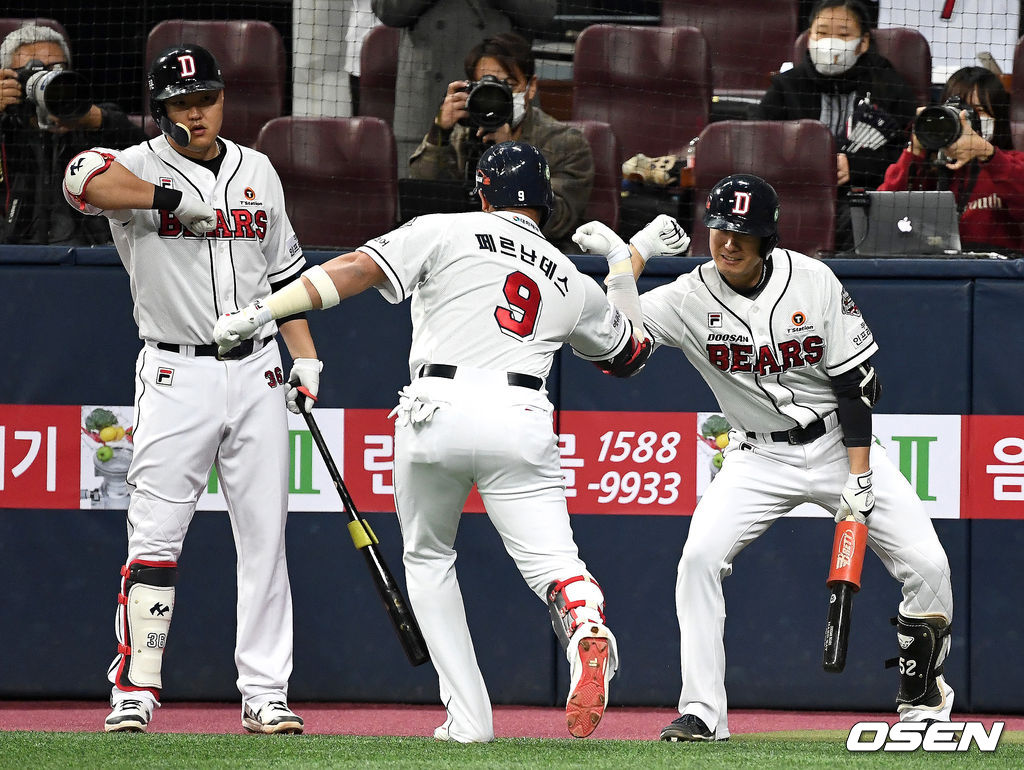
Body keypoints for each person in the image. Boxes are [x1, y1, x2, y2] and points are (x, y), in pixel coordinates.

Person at [212, 141, 650, 742]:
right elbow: (629, 355)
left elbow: (355, 270)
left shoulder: (445, 228)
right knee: (556, 564)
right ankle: (587, 623)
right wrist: (623, 267)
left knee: (428, 559)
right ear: (546, 204)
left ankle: (469, 720)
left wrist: (262, 312)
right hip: (520, 413)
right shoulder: (569, 276)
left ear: (483, 195)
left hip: (435, 408)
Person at [573, 174, 955, 742]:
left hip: (838, 445)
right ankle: (703, 712)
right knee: (699, 560)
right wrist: (627, 262)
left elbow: (855, 385)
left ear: (768, 238)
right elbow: (618, 349)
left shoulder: (813, 279)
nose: (728, 243)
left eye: (743, 233)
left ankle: (923, 703)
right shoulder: (686, 297)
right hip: (756, 456)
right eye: (720, 229)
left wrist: (860, 478)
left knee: (930, 565)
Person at [61, 43, 320, 735]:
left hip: (259, 367)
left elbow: (286, 278)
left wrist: (307, 359)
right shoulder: (137, 166)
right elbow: (80, 180)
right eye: (182, 103)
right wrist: (170, 199)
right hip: (176, 371)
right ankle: (135, 690)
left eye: (206, 98)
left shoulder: (257, 169)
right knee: (155, 534)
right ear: (161, 109)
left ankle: (265, 692)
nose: (197, 112)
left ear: (223, 99)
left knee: (265, 540)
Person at [753, 0, 916, 251]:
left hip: (865, 198)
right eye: (821, 32)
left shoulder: (890, 87)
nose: (830, 42)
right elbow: (759, 146)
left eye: (843, 34)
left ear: (863, 42)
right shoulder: (786, 87)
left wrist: (856, 166)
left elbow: (908, 155)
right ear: (808, 38)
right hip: (796, 197)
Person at [408, 31, 593, 251]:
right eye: (487, 86)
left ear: (531, 87)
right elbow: (424, 195)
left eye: (508, 85)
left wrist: (509, 155)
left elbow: (558, 221)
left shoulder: (566, 143)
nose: (497, 96)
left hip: (534, 253)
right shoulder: (462, 135)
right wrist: (439, 132)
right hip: (465, 249)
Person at [372, 0, 555, 176]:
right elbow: (388, 11)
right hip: (426, 106)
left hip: (508, 106)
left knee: (521, 188)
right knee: (423, 190)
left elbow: (541, 14)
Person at [0, 23, 146, 244]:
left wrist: (95, 120)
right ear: (8, 78)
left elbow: (150, 160)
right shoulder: (4, 128)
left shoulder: (95, 121)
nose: (46, 79)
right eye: (33, 71)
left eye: (56, 69)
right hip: (11, 254)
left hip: (89, 253)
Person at [878, 66, 1024, 254]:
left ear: (998, 116)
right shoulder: (928, 168)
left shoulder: (1012, 163)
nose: (967, 121)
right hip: (933, 265)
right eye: (959, 112)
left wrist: (987, 154)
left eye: (979, 112)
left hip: (995, 267)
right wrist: (916, 150)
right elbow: (882, 214)